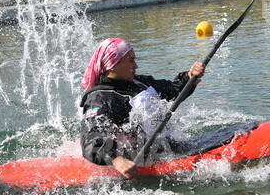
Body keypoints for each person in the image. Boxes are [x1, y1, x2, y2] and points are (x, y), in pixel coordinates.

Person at [80, 38, 205, 179]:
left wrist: (189, 77)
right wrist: (117, 159)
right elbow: (90, 137)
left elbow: (173, 91)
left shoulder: (140, 82)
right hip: (134, 159)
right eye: (131, 61)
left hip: (166, 147)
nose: (136, 65)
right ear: (112, 65)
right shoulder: (99, 98)